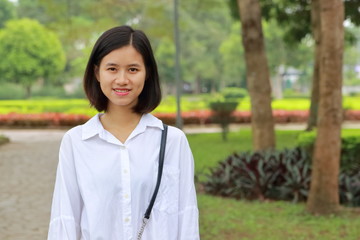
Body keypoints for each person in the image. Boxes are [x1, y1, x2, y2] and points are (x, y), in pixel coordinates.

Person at [48, 25, 199, 240]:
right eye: (112, 69)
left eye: (133, 69)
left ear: (147, 74)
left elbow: (186, 216)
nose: (122, 80)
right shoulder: (76, 142)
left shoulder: (173, 141)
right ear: (97, 73)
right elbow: (65, 218)